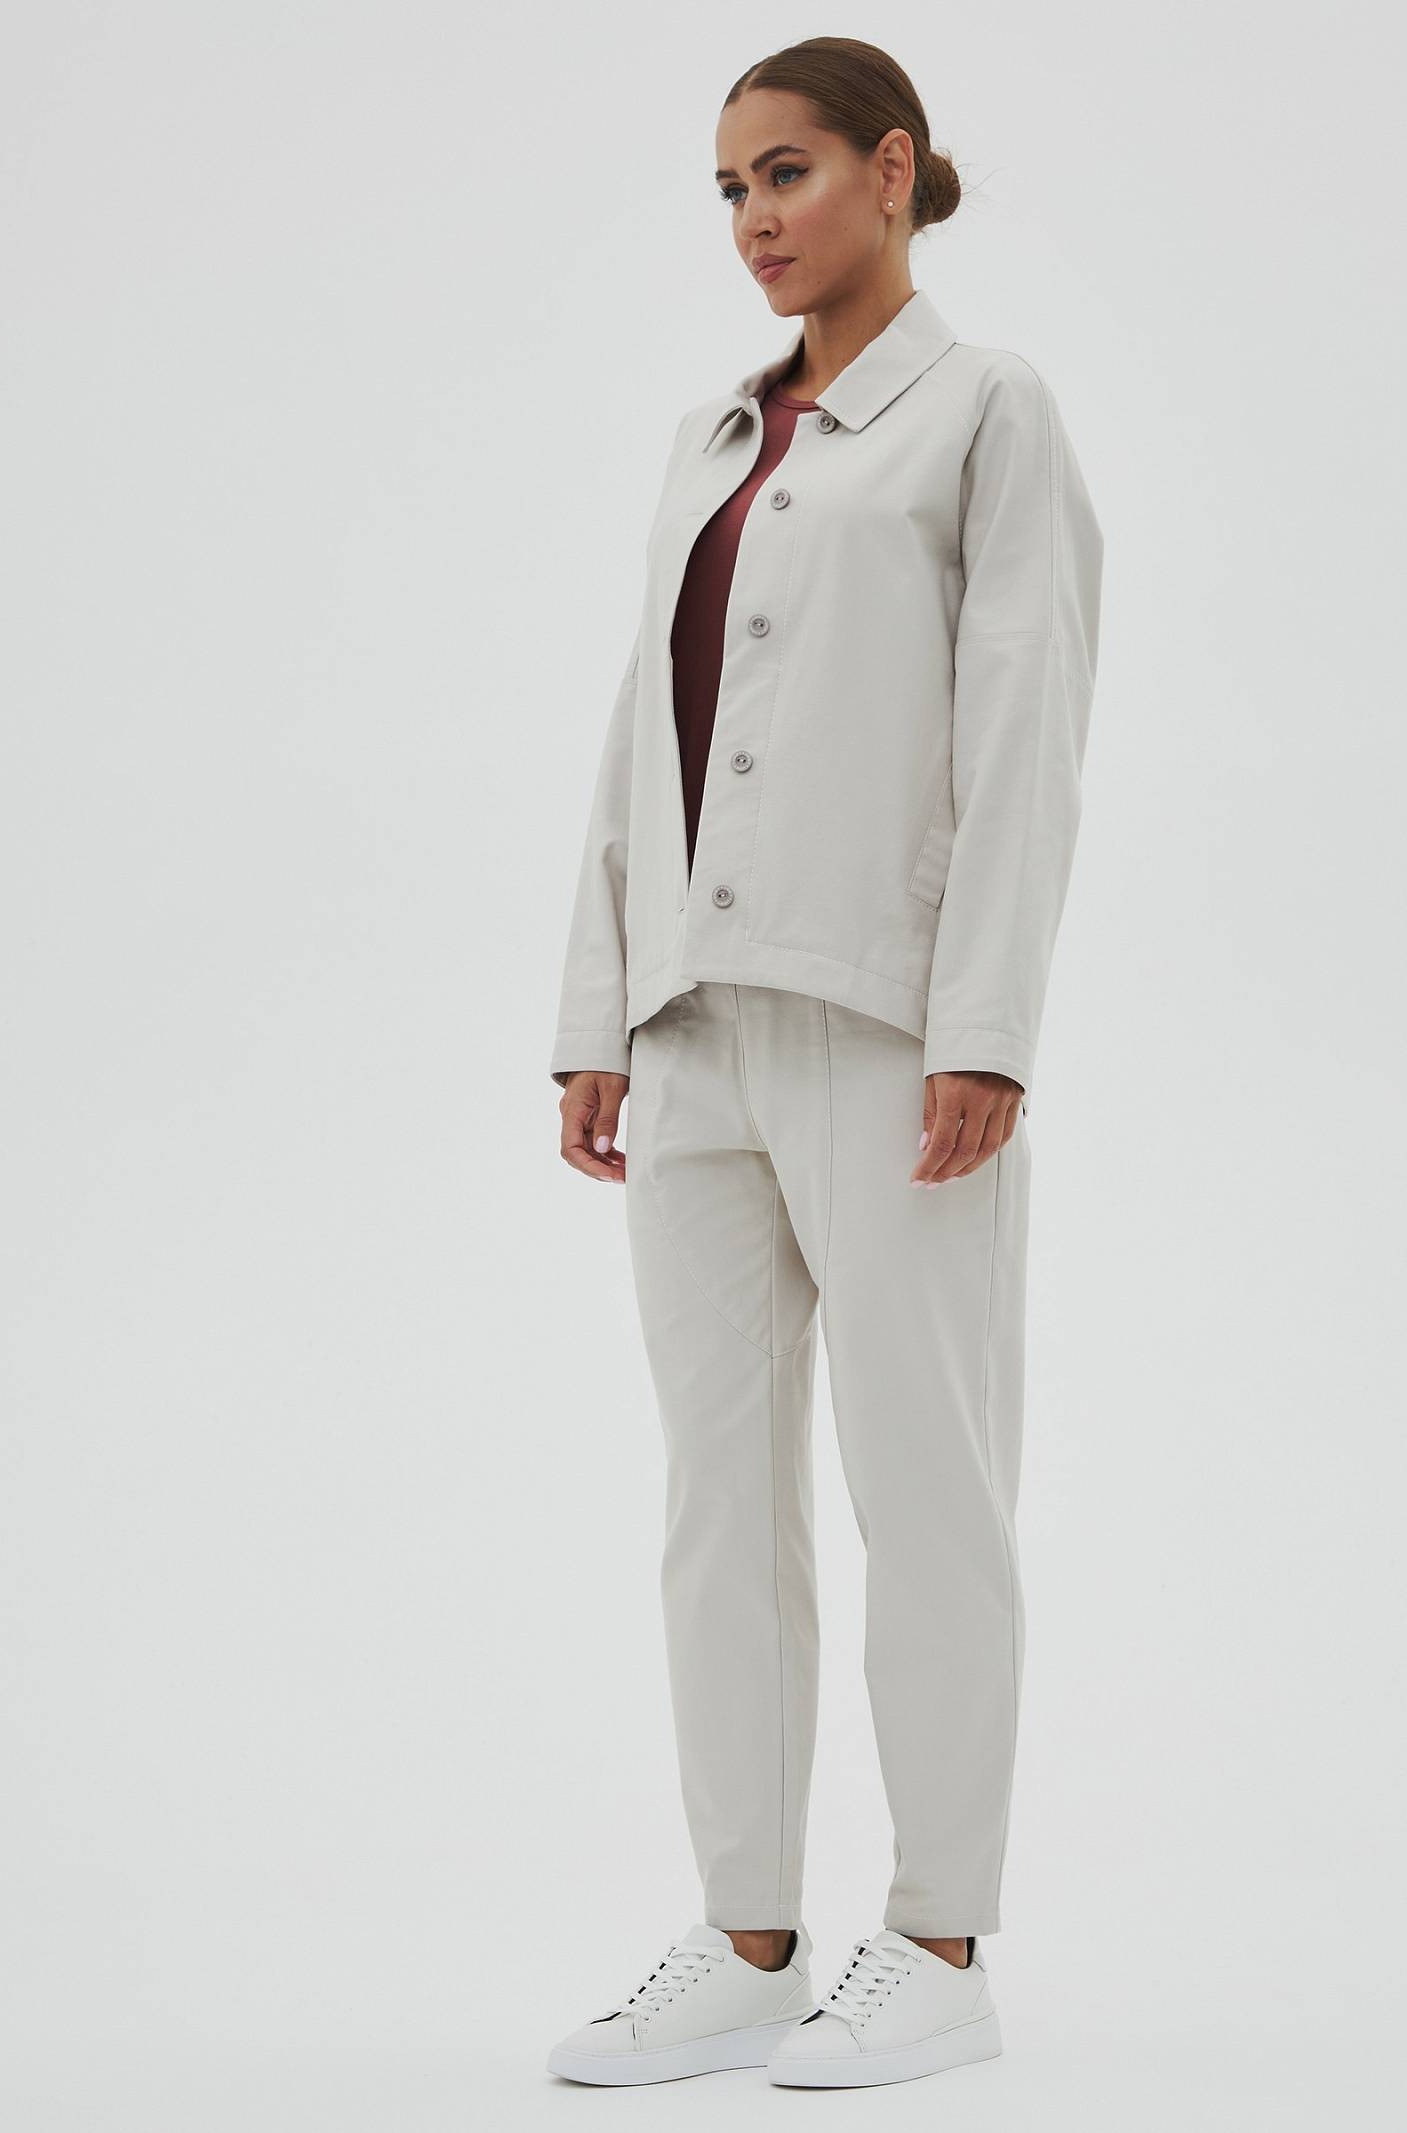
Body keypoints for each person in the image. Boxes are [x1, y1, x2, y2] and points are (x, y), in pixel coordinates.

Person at [544, 34, 1103, 2090]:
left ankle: (938, 1938)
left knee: (923, 1482)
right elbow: (640, 731)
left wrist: (986, 1026)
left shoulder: (985, 411)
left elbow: (1026, 730)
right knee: (717, 1498)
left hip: (889, 1030)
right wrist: (595, 1012)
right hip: (692, 1032)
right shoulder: (714, 435)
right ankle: (750, 1930)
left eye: (783, 172)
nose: (752, 218)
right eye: (727, 187)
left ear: (890, 169)